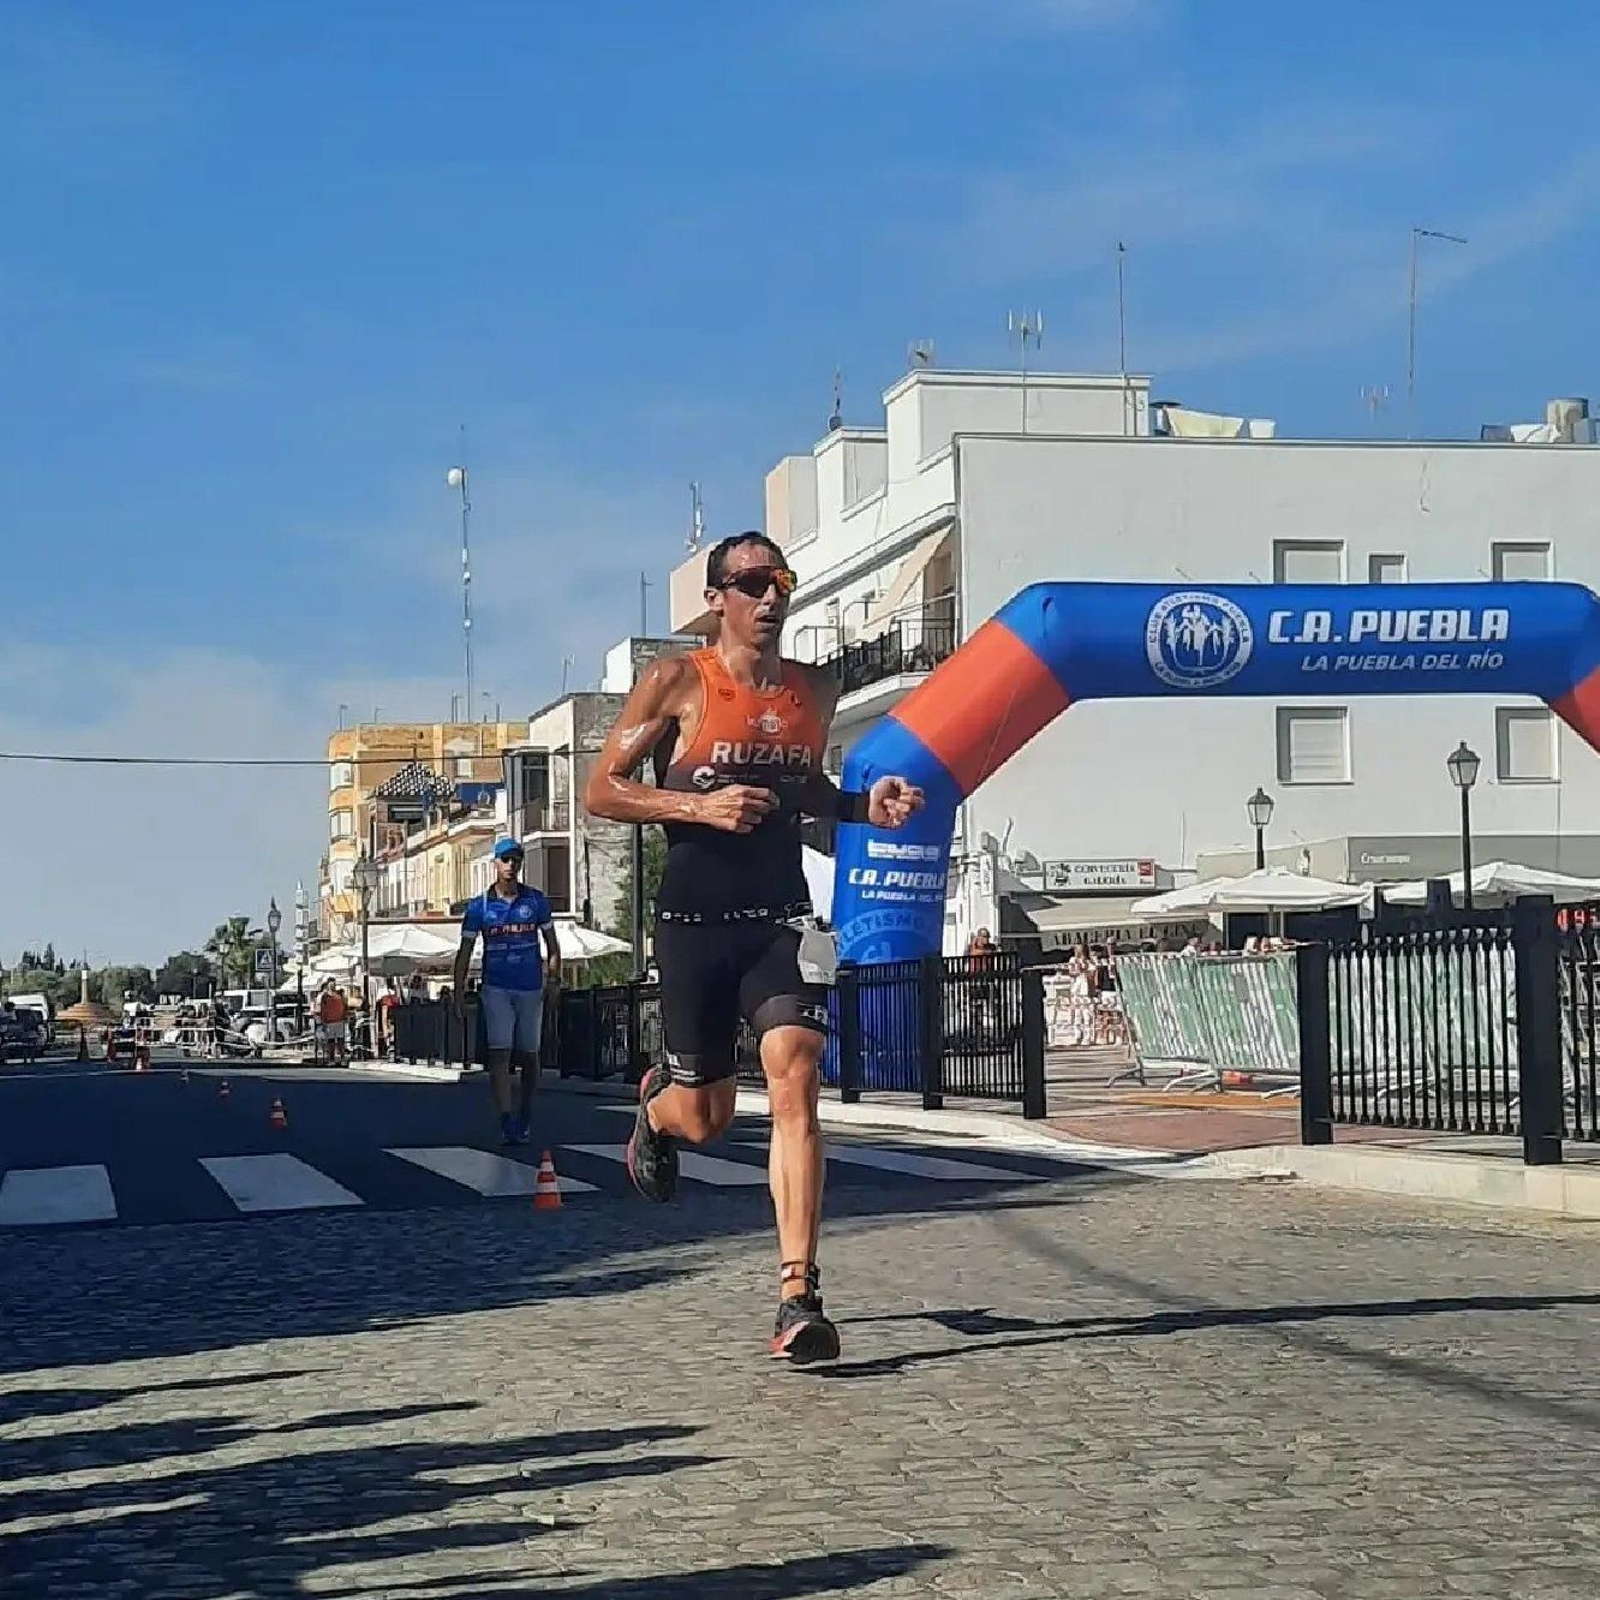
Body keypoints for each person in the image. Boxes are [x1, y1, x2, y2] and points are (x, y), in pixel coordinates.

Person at [584, 529, 924, 1363]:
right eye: (751, 583)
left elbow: (800, 785)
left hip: (779, 915)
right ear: (716, 600)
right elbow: (602, 791)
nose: (771, 596)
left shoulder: (815, 689)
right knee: (708, 1119)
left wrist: (859, 806)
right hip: (695, 924)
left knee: (798, 1071)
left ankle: (797, 1294)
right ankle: (657, 1111)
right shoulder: (675, 682)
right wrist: (696, 809)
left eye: (782, 581)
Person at [454, 838, 562, 1146]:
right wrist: (459, 992)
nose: (511, 866)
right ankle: (506, 1120)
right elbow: (465, 951)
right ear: (496, 864)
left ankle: (525, 1113)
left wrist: (554, 981)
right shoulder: (480, 907)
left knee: (530, 1055)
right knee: (499, 1053)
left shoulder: (536, 902)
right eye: (505, 860)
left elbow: (552, 947)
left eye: (515, 860)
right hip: (496, 986)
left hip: (530, 987)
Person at [316, 981, 348, 1065]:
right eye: (330, 985)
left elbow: (344, 1006)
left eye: (333, 985)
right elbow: (323, 1009)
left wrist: (344, 1017)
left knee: (340, 1041)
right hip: (329, 1022)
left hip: (339, 1021)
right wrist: (323, 1020)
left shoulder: (339, 995)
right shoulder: (325, 997)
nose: (332, 986)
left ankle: (342, 1059)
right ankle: (331, 1059)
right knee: (331, 1042)